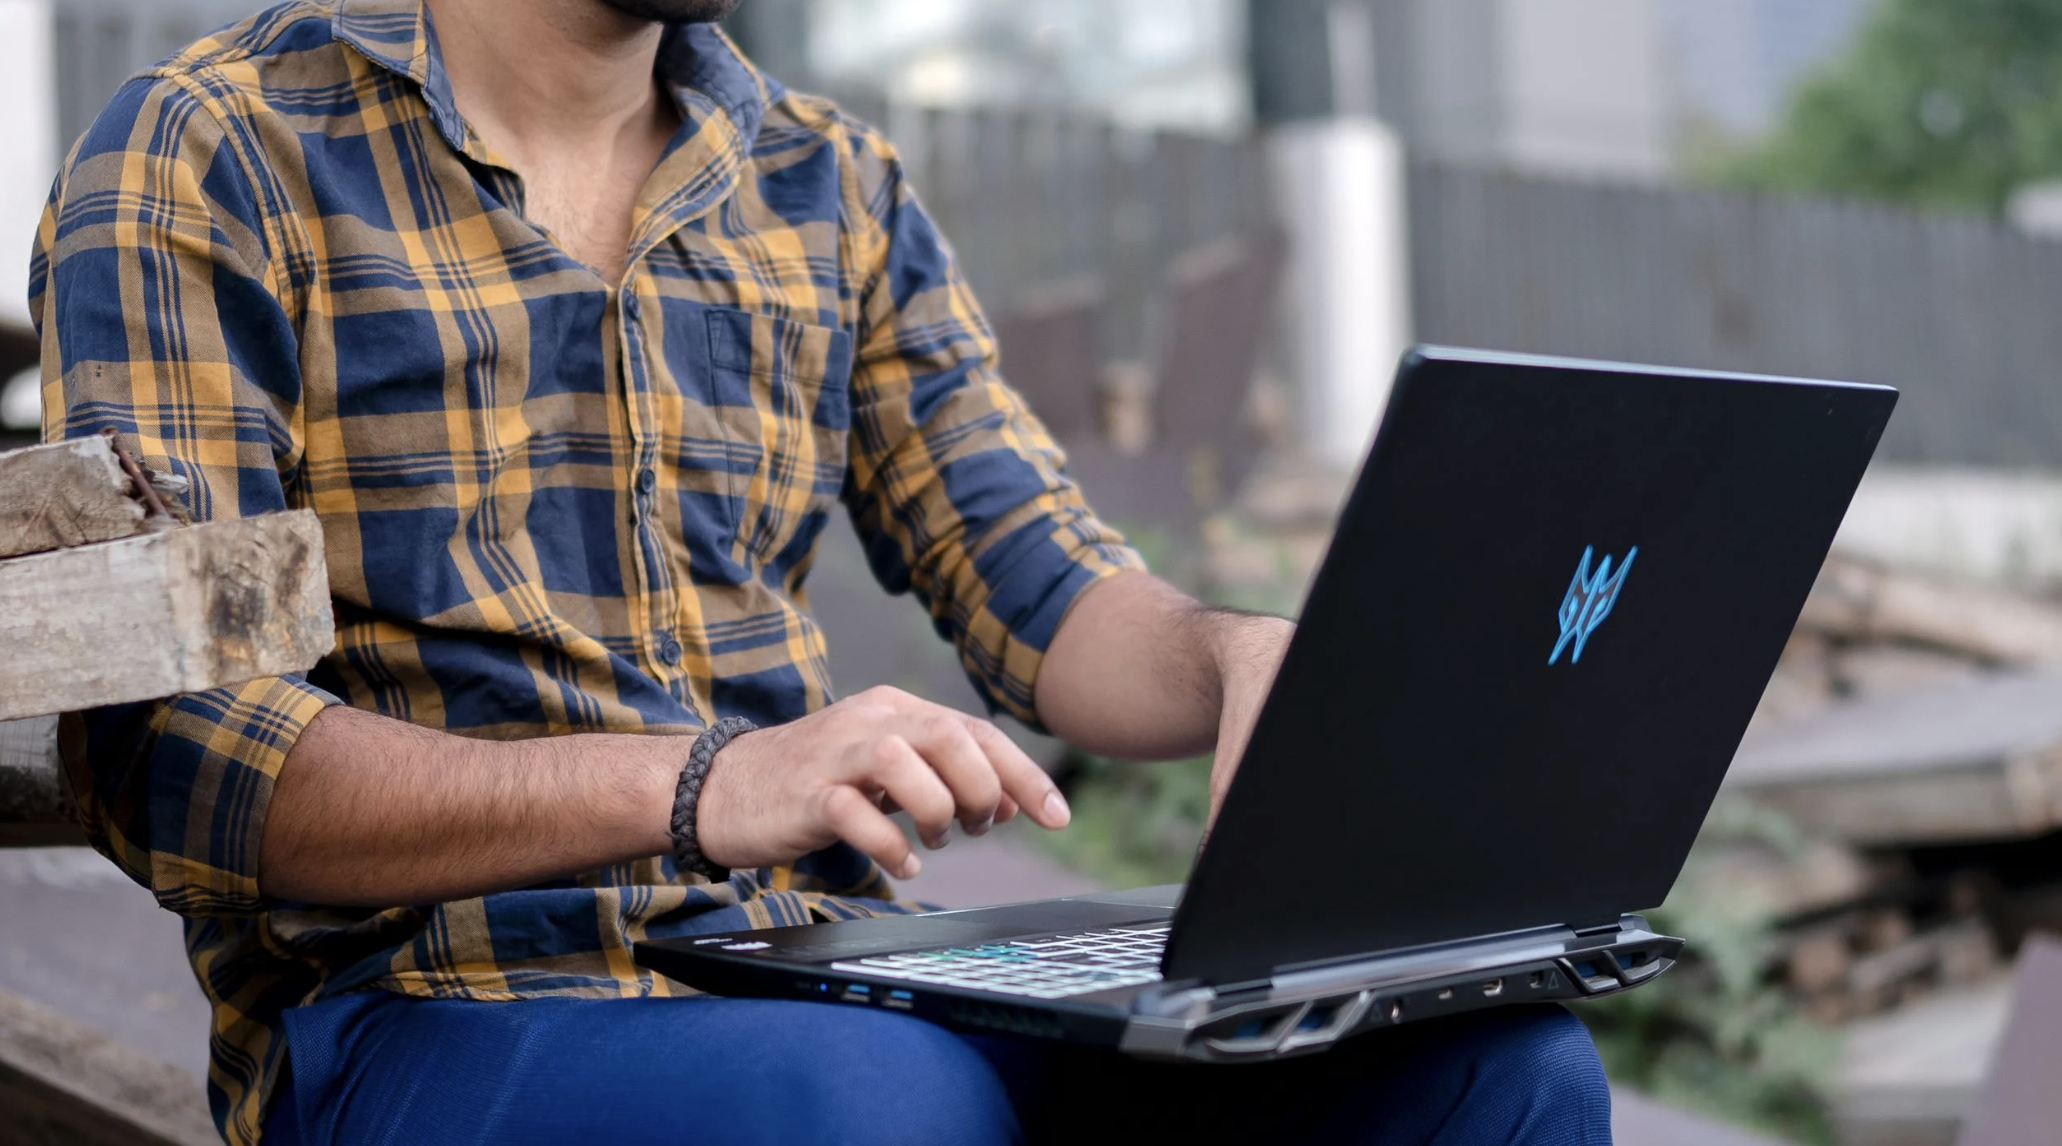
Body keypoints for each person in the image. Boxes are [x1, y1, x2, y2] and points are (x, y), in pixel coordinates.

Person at [31, 0, 1612, 1142]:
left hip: (823, 992)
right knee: (869, 1103)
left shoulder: (824, 180)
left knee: (1498, 1075)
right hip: (420, 1020)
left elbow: (1038, 579)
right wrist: (705, 782)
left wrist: (1240, 654)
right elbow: (183, 758)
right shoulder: (212, 149)